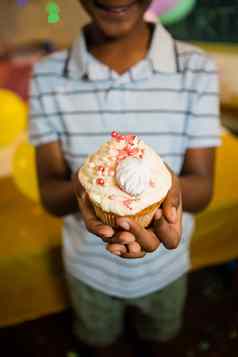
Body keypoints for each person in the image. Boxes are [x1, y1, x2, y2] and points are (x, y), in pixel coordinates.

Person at [29, 1, 221, 356]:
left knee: (163, 339)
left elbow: (203, 189)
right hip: (89, 269)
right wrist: (84, 188)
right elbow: (50, 195)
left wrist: (169, 189)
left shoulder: (196, 68)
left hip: (167, 269)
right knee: (99, 342)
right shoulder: (47, 75)